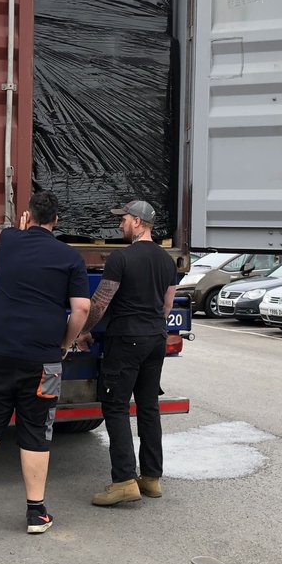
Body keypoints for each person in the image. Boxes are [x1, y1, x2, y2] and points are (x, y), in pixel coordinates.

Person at [0, 191, 91, 536]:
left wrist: (23, 223)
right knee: (36, 427)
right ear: (57, 221)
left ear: (27, 216)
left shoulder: (8, 240)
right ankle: (36, 512)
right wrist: (66, 342)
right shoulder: (70, 257)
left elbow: (17, 229)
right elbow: (82, 308)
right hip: (41, 357)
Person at [79, 200, 178, 506]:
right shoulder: (166, 261)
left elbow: (100, 302)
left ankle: (123, 481)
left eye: (122, 219)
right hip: (155, 339)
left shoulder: (120, 258)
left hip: (126, 340)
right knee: (148, 407)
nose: (119, 224)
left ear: (137, 222)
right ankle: (151, 478)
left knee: (116, 406)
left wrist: (84, 330)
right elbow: (167, 306)